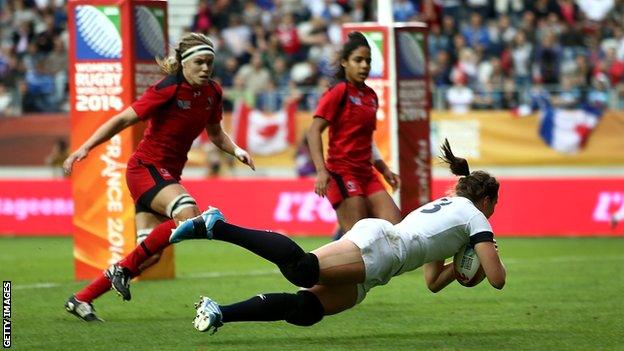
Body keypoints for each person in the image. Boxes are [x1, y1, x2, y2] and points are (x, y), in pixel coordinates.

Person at [168, 139, 506, 334]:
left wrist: (460, 266)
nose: (492, 212)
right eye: (495, 205)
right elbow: (497, 279)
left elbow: (433, 281)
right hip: (382, 247)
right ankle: (217, 226)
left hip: (383, 265)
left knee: (306, 309)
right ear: (487, 200)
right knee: (302, 269)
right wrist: (485, 253)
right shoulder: (476, 218)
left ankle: (220, 313)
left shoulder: (452, 209)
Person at [62, 33, 255, 322]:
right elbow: (123, 119)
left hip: (165, 175)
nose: (205, 68)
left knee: (150, 255)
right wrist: (86, 146)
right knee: (188, 214)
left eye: (210, 62)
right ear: (183, 64)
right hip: (145, 169)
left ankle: (81, 299)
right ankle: (121, 272)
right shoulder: (168, 88)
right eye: (199, 62)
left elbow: (215, 134)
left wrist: (237, 150)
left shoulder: (213, 92)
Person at [306, 31, 401, 236]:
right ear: (344, 62)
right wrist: (321, 171)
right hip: (342, 172)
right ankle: (324, 261)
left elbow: (368, 141)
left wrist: (384, 170)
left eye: (368, 61)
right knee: (361, 238)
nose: (364, 65)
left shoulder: (371, 96)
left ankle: (336, 243)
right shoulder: (338, 92)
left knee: (397, 230)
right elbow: (313, 131)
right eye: (358, 60)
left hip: (367, 173)